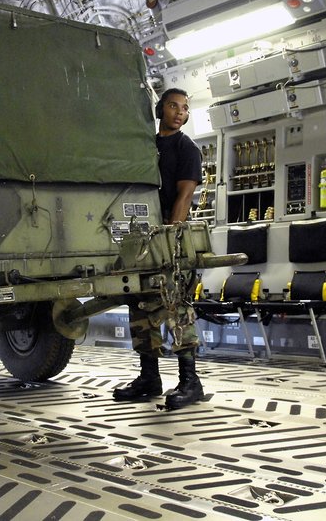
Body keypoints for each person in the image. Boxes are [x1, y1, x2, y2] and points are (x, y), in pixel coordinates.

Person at [113, 88, 205, 410]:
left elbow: (184, 196)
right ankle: (149, 377)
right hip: (142, 235)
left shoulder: (187, 149)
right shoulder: (147, 147)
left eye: (185, 108)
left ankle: (190, 381)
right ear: (160, 109)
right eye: (173, 106)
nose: (180, 112)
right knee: (140, 304)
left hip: (170, 235)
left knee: (175, 305)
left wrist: (170, 238)